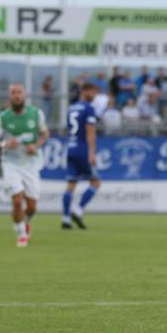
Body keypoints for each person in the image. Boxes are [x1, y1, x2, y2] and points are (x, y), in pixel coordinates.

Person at [0, 84, 49, 247]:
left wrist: (36, 146)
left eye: (19, 92)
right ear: (9, 96)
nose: (17, 96)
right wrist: (4, 144)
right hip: (10, 163)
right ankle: (22, 233)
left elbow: (45, 134)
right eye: (13, 93)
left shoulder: (36, 114)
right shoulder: (2, 117)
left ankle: (25, 221)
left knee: (32, 206)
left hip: (31, 163)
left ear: (25, 95)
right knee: (16, 200)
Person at [62, 82, 103, 230]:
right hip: (83, 150)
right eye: (94, 92)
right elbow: (90, 130)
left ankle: (66, 219)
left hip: (71, 148)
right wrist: (92, 153)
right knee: (96, 182)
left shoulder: (71, 108)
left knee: (71, 185)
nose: (95, 96)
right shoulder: (89, 108)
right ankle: (77, 210)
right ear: (86, 91)